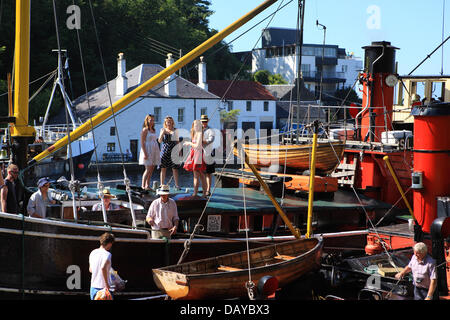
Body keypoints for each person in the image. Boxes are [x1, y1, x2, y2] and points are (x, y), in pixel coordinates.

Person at [183, 120, 207, 197]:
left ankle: (203, 193)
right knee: (196, 175)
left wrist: (189, 143)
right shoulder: (195, 133)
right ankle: (196, 192)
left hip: (198, 155)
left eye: (197, 125)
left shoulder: (200, 133)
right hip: (194, 154)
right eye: (195, 125)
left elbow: (198, 146)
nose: (196, 126)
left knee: (200, 175)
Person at [89, 232, 115, 300]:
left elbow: (91, 270)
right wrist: (107, 284)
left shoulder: (93, 252)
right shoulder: (107, 254)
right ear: (109, 243)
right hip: (103, 288)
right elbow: (103, 268)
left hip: (93, 287)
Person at [139, 114, 161, 190]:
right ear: (147, 121)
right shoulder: (145, 130)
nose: (152, 121)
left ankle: (147, 185)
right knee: (148, 169)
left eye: (153, 120)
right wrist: (145, 153)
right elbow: (142, 142)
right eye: (150, 120)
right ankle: (142, 185)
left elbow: (156, 140)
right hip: (148, 149)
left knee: (151, 169)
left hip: (154, 149)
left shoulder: (154, 130)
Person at [158, 116, 181, 190]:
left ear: (172, 122)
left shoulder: (176, 130)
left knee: (175, 168)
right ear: (165, 123)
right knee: (163, 167)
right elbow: (159, 141)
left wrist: (180, 151)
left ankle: (177, 185)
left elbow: (178, 141)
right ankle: (162, 184)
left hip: (174, 150)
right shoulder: (163, 129)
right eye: (167, 122)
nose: (169, 123)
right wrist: (162, 133)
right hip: (165, 149)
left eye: (170, 121)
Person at [201, 114, 215, 197]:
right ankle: (204, 188)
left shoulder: (210, 130)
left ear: (207, 121)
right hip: (199, 153)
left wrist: (202, 141)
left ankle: (208, 190)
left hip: (208, 153)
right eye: (203, 121)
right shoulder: (198, 130)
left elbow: (211, 139)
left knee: (208, 173)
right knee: (201, 172)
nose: (204, 123)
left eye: (205, 121)